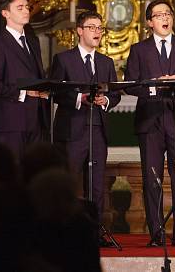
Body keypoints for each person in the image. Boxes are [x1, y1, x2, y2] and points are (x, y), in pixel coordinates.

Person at [124, 0, 175, 247]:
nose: (164, 18)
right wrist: (153, 86)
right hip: (151, 121)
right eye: (158, 15)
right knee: (152, 178)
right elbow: (131, 84)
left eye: (168, 13)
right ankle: (156, 233)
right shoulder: (139, 50)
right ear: (149, 22)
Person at [50, 11, 120, 217]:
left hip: (98, 130)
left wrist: (105, 100)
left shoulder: (106, 62)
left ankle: (95, 231)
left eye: (100, 28)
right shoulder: (63, 60)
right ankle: (67, 228)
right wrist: (80, 98)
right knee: (69, 181)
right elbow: (57, 93)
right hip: (72, 131)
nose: (97, 32)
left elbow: (114, 94)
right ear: (79, 31)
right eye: (92, 27)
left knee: (97, 184)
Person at [0, 0, 49, 158]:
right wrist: (23, 92)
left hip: (36, 119)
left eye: (27, 7)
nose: (26, 11)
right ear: (5, 13)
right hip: (11, 122)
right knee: (14, 174)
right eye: (20, 8)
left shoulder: (32, 42)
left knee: (34, 173)